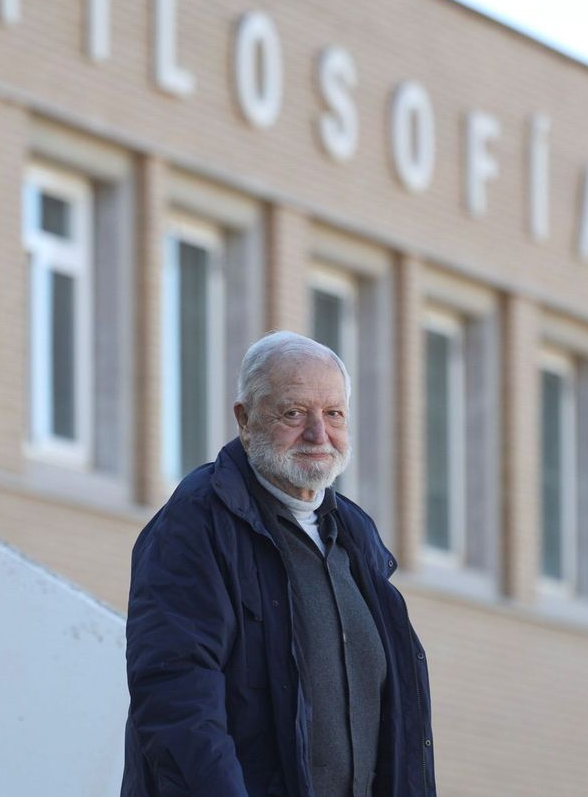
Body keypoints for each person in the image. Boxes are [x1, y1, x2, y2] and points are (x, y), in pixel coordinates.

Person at [122, 331, 436, 796]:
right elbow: (177, 704)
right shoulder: (195, 525)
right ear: (245, 420)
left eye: (333, 414)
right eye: (293, 413)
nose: (318, 434)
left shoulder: (354, 534)